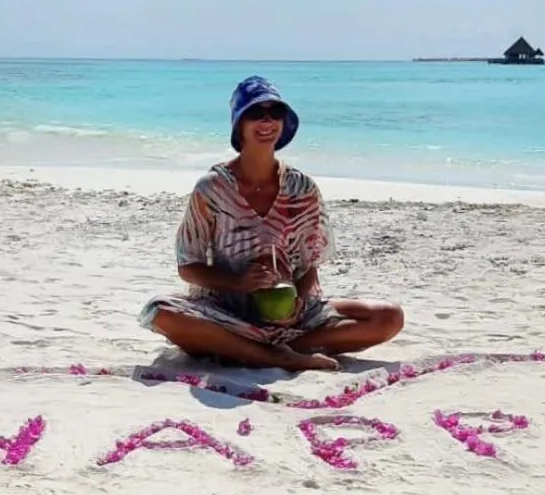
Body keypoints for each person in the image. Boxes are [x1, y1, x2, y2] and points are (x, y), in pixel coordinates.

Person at [140, 77, 403, 372]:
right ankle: (273, 357)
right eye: (255, 113)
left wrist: (297, 304)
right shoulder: (212, 189)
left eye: (274, 112)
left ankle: (259, 349)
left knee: (389, 317)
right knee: (159, 312)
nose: (267, 121)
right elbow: (188, 267)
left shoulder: (302, 188)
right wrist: (238, 283)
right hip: (226, 311)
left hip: (290, 313)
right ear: (239, 124)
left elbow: (310, 264)